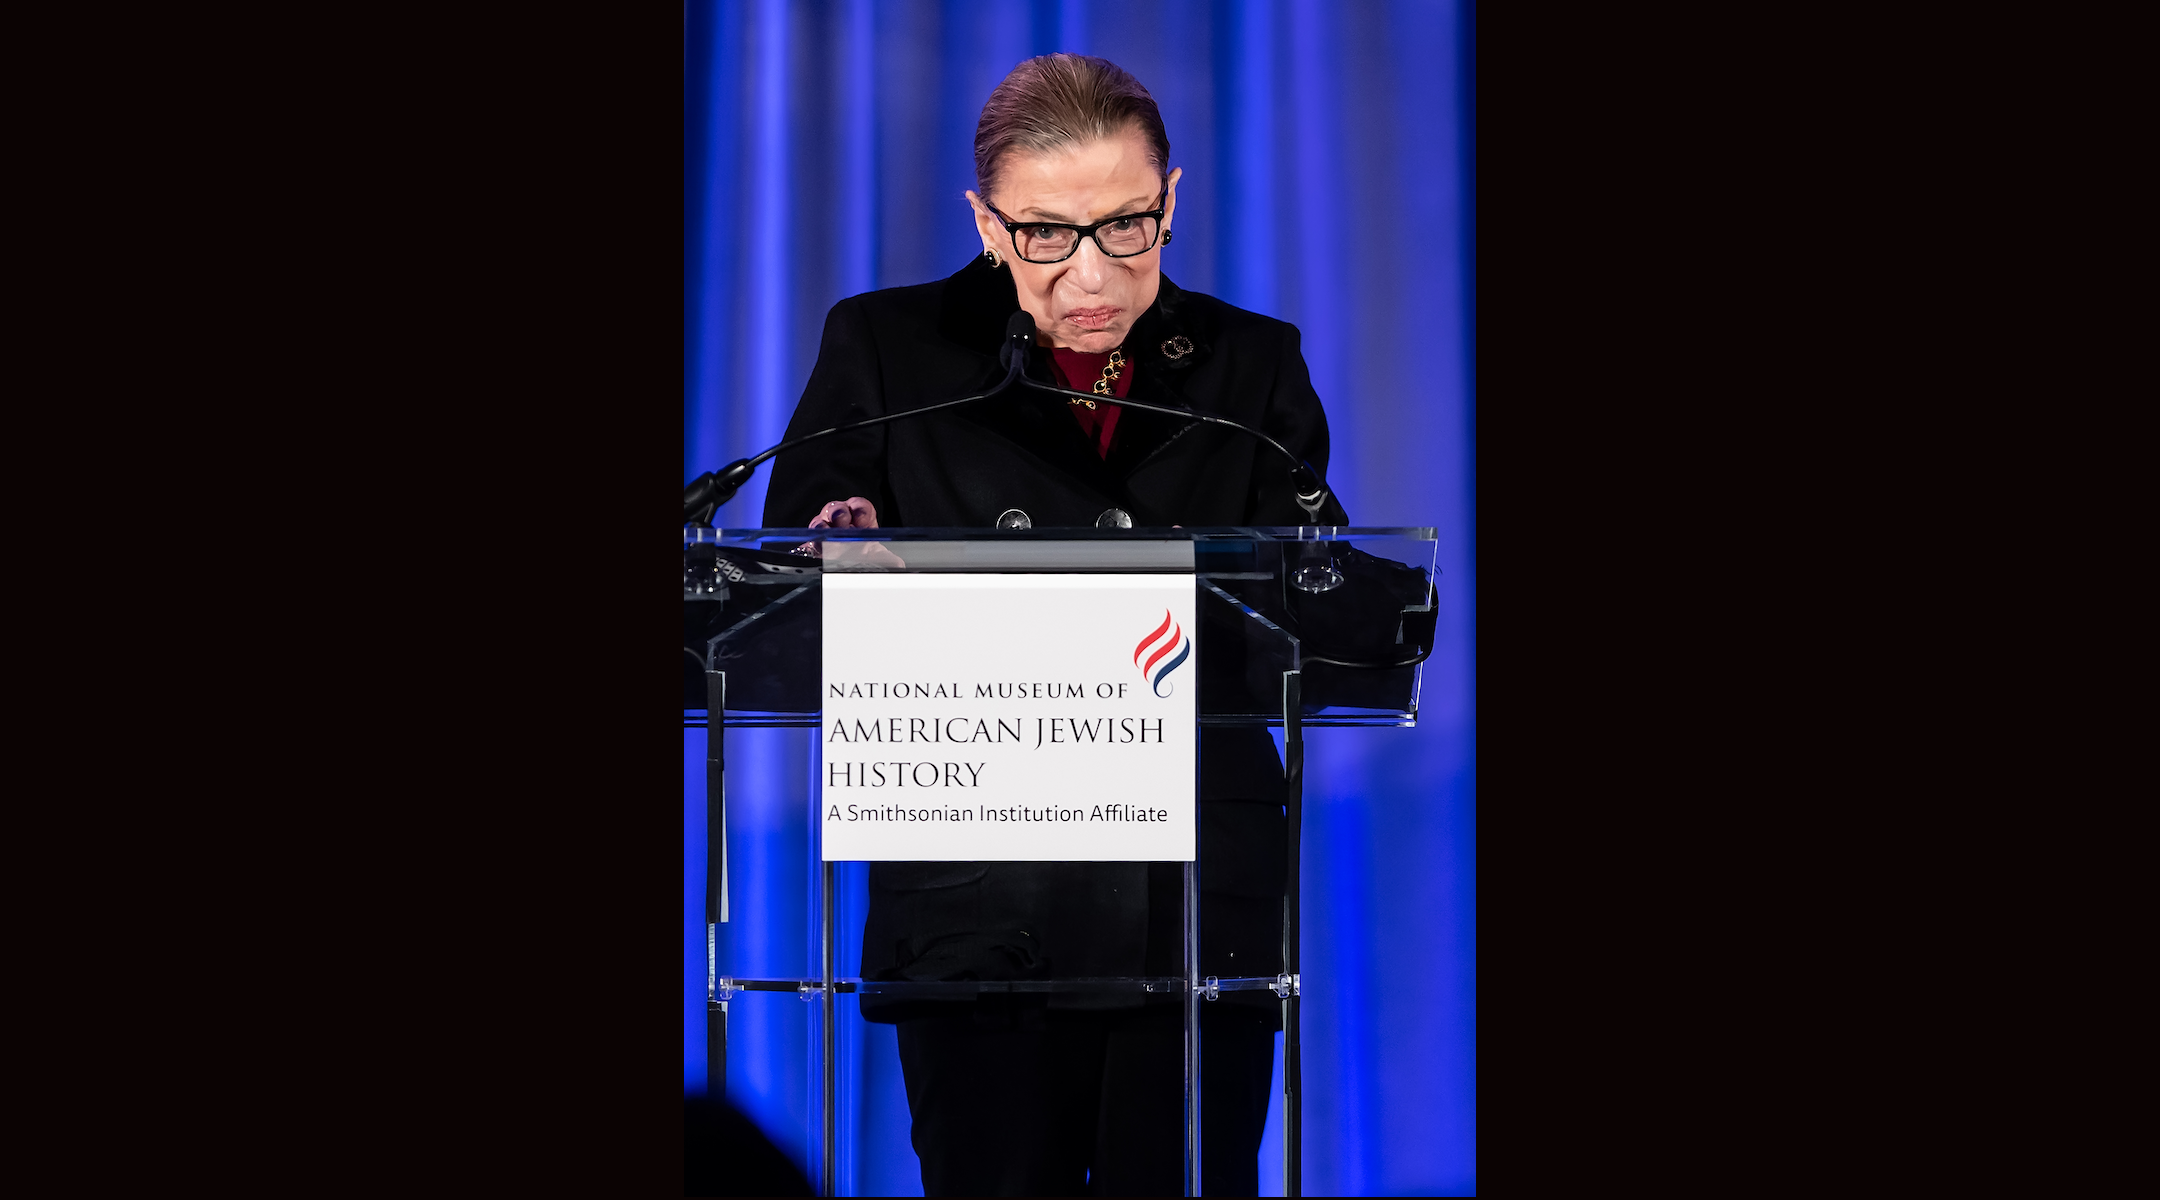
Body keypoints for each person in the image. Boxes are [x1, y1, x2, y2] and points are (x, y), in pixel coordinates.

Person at [762, 53, 1349, 1196]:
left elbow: (1309, 595)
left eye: (1127, 225)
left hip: (1190, 895)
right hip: (978, 888)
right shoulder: (892, 349)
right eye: (1045, 234)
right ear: (986, 222)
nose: (1091, 270)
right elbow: (794, 563)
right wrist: (836, 541)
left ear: (1171, 202)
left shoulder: (1249, 361)